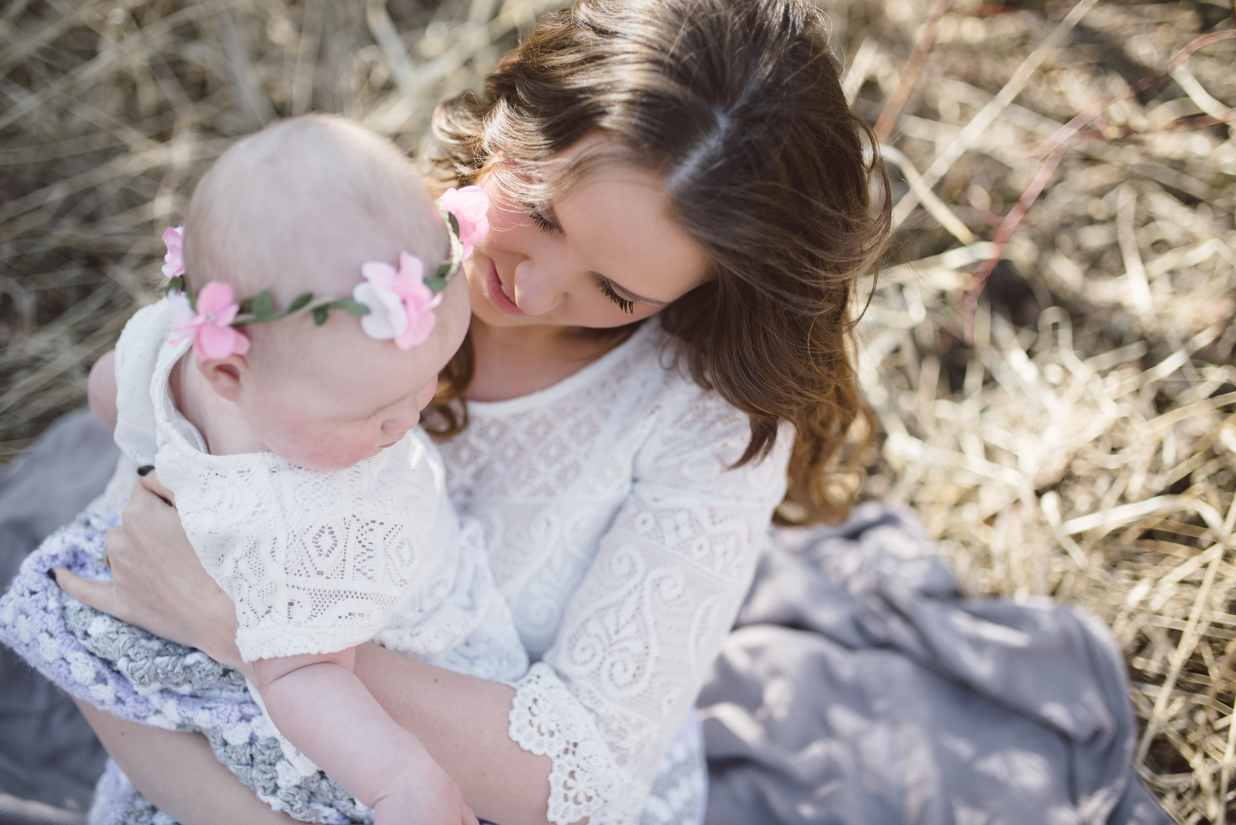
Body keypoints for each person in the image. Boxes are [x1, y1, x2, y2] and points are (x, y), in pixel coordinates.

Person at [46, 0, 891, 822]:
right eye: (545, 215)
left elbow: (581, 784)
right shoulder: (352, 243)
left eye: (615, 290)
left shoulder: (704, 422)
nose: (530, 288)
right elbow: (135, 547)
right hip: (220, 754)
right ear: (513, 115)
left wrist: (261, 630)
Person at [10, 115, 535, 824]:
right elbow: (304, 673)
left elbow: (112, 387)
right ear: (228, 371)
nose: (409, 418)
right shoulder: (306, 509)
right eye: (374, 409)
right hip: (329, 693)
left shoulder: (174, 339)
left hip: (369, 635)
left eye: (431, 378)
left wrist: (152, 448)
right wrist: (401, 779)